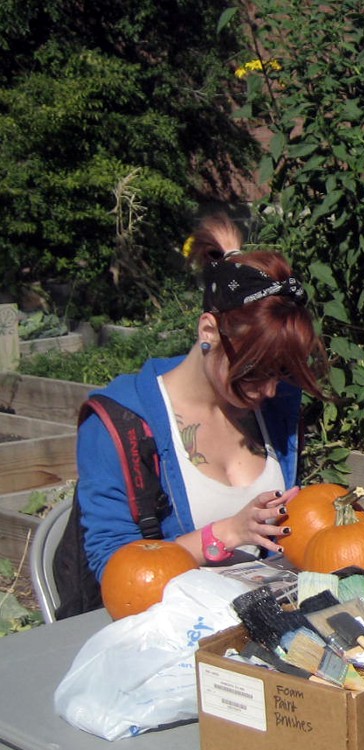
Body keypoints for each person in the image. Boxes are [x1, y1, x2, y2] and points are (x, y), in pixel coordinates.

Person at [65, 213, 327, 605]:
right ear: (208, 331)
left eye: (282, 371)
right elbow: (113, 566)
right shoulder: (119, 426)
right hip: (170, 631)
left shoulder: (274, 404)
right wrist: (223, 535)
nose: (272, 389)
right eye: (255, 371)